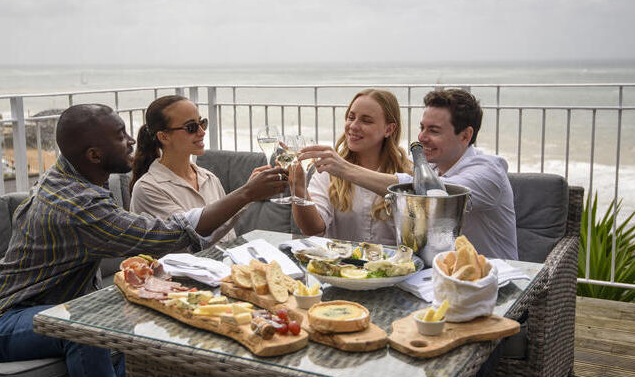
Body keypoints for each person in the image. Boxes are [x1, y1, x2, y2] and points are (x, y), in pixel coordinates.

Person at [0, 104, 286, 377]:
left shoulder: (71, 176)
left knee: (127, 314)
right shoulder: (76, 206)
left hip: (51, 307)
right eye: (120, 136)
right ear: (94, 154)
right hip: (5, 322)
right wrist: (248, 194)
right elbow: (168, 234)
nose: (132, 141)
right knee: (85, 328)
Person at [299, 88, 518, 260]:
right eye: (422, 127)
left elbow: (435, 194)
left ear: (465, 135)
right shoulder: (428, 168)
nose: (421, 137)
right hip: (442, 279)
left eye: (433, 130)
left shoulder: (489, 171)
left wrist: (343, 168)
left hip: (494, 284)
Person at [130, 95, 264, 246]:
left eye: (202, 123)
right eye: (191, 127)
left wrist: (248, 194)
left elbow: (227, 240)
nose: (202, 132)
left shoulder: (209, 178)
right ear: (164, 137)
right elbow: (191, 240)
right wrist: (247, 194)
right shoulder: (148, 188)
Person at [290, 89, 412, 245]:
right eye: (351, 117)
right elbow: (312, 229)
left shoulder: (408, 172)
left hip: (394, 268)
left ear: (389, 129)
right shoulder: (328, 171)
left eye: (366, 121)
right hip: (341, 266)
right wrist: (298, 188)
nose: (353, 126)